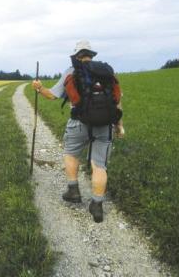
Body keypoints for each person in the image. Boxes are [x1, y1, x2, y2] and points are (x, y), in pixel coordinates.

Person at [32, 40, 124, 223]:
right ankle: (97, 205)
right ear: (91, 54)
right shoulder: (106, 72)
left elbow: (52, 95)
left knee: (71, 153)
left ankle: (73, 191)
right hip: (105, 124)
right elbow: (116, 100)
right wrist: (119, 125)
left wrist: (39, 88)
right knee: (99, 165)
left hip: (78, 122)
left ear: (76, 55)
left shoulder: (71, 71)